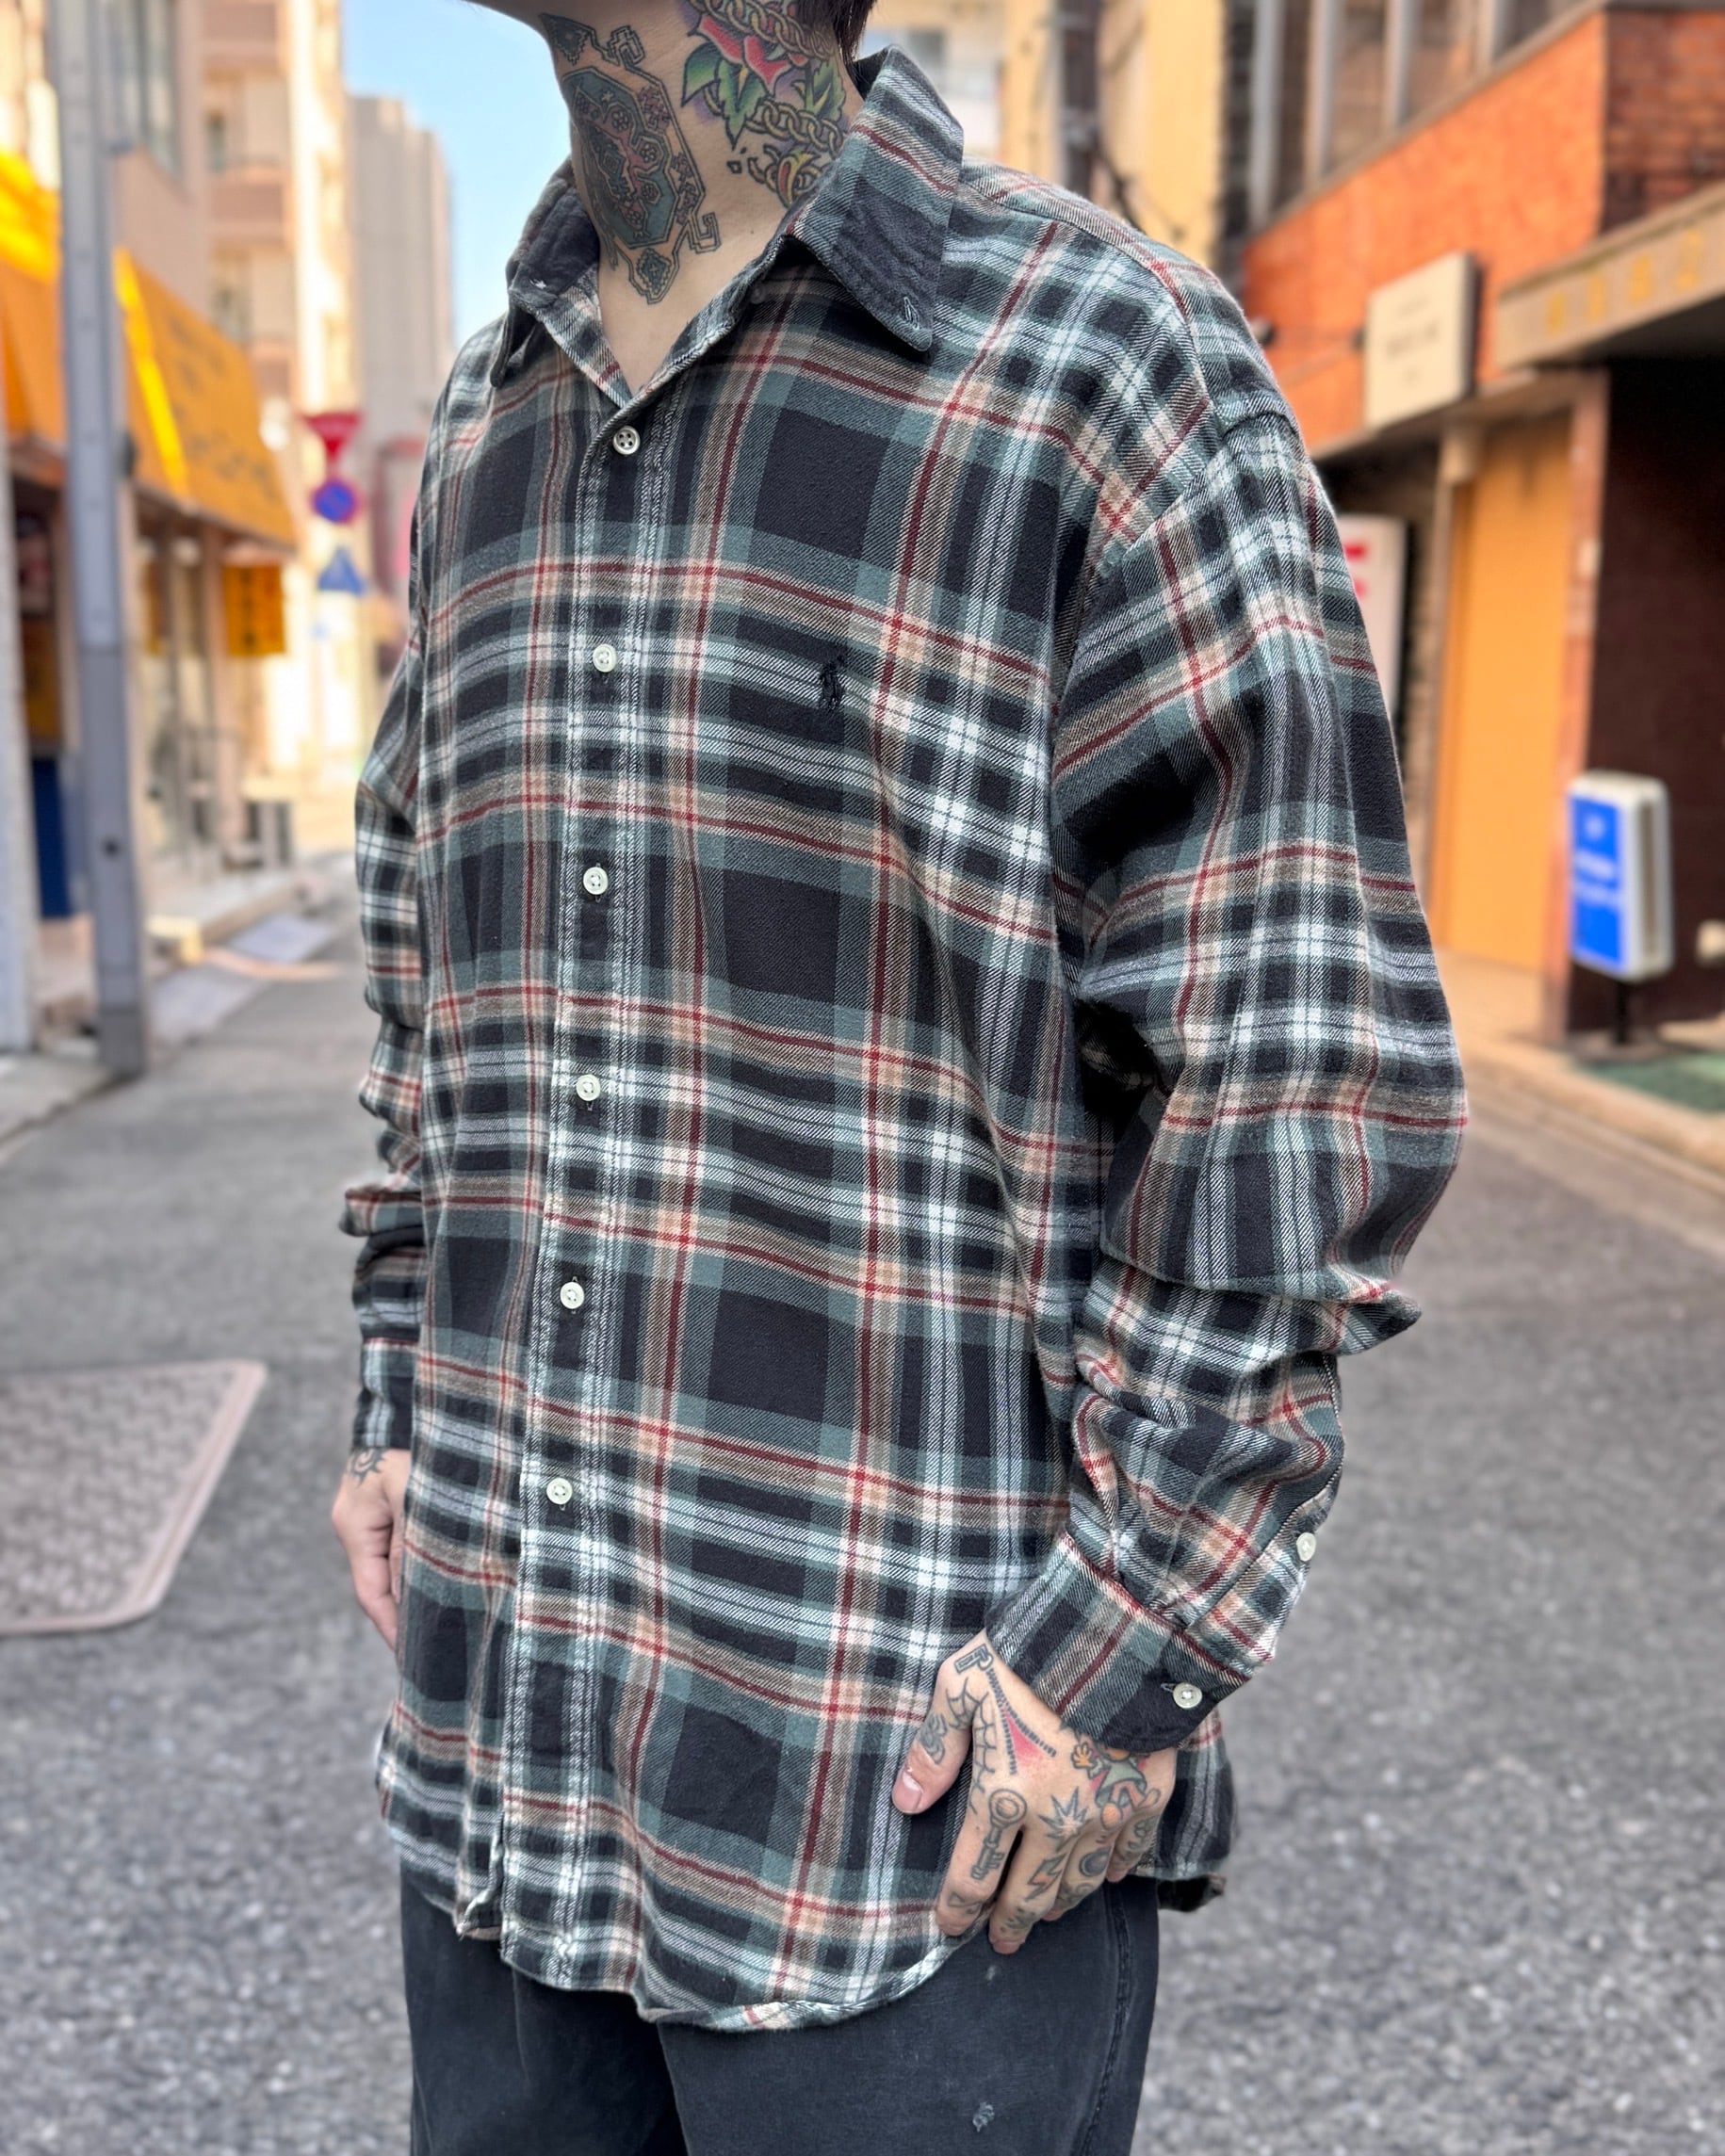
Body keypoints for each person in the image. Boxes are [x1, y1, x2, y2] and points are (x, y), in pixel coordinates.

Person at [332, 0, 1467, 2146]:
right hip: (500, 1765)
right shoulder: (491, 416)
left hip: (910, 1822)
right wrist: (404, 1390)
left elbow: (1292, 1058)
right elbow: (429, 962)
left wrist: (1126, 1644)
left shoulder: (1093, 367)